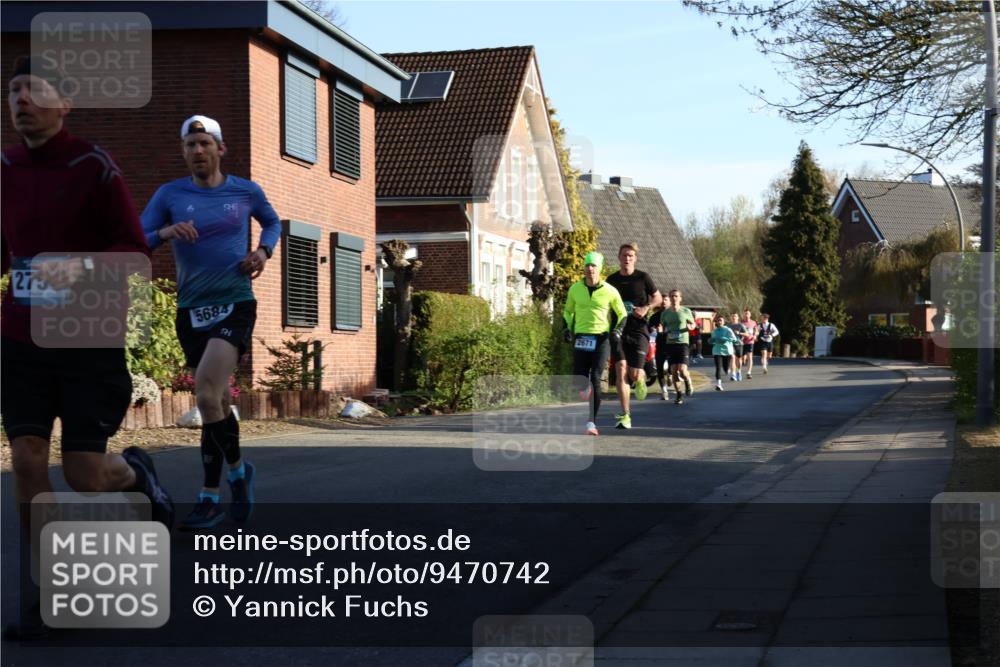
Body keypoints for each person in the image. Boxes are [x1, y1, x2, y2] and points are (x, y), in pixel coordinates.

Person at [2, 57, 174, 639]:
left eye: (34, 89)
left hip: (87, 340)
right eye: (13, 91)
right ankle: (51, 593)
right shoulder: (3, 168)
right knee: (26, 459)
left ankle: (139, 476)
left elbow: (134, 252)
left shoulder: (92, 165)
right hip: (21, 338)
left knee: (82, 473)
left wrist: (77, 268)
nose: (21, 99)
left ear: (65, 103)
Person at [141, 115, 281, 530]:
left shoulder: (245, 190)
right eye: (189, 145)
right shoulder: (169, 194)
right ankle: (238, 472)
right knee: (217, 401)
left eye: (204, 143)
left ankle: (210, 495)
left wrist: (262, 252)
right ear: (183, 152)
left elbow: (272, 223)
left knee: (204, 394)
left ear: (220, 148)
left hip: (235, 302)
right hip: (191, 308)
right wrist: (165, 232)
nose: (197, 151)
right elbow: (137, 236)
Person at [563, 251, 627, 436]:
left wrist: (617, 330)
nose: (590, 269)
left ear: (600, 269)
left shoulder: (610, 290)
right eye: (587, 266)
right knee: (579, 378)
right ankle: (585, 391)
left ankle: (591, 422)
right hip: (582, 337)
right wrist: (567, 328)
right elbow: (568, 311)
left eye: (594, 266)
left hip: (601, 338)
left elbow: (622, 313)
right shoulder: (575, 289)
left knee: (596, 378)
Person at [605, 243, 661, 429]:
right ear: (619, 257)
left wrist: (647, 308)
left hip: (638, 330)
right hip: (619, 330)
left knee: (634, 374)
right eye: (624, 255)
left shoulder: (643, 277)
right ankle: (625, 415)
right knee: (621, 370)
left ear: (635, 258)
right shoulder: (611, 280)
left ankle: (641, 377)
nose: (627, 258)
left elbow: (658, 298)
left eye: (630, 255)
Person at [657, 289, 696, 404]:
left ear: (680, 298)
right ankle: (679, 395)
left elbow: (693, 324)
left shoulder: (686, 311)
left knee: (682, 370)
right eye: (672, 296)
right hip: (670, 344)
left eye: (676, 296)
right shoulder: (665, 313)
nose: (674, 298)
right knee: (674, 371)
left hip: (683, 343)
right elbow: (663, 327)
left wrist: (691, 327)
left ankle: (688, 381)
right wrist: (661, 330)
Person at [708, 315, 740, 391]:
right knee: (718, 368)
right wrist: (711, 340)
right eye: (718, 320)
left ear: (724, 322)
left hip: (727, 351)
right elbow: (712, 340)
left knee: (726, 368)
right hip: (717, 351)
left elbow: (735, 339)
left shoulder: (728, 330)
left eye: (721, 320)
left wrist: (726, 339)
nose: (719, 322)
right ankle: (718, 384)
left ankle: (728, 370)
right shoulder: (714, 331)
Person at [727, 313, 747, 381]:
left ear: (738, 317)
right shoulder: (728, 326)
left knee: (739, 359)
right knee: (732, 358)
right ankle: (733, 375)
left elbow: (747, 334)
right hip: (730, 344)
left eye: (735, 316)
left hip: (739, 344)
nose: (733, 317)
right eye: (732, 316)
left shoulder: (741, 325)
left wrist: (739, 333)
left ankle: (739, 371)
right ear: (731, 317)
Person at [740, 309, 758, 379]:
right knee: (741, 358)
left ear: (750, 315)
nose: (746, 315)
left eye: (748, 313)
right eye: (745, 313)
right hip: (742, 342)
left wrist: (755, 336)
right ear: (744, 315)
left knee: (750, 357)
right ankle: (739, 371)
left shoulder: (753, 322)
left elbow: (756, 331)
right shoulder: (741, 322)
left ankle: (749, 372)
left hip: (750, 341)